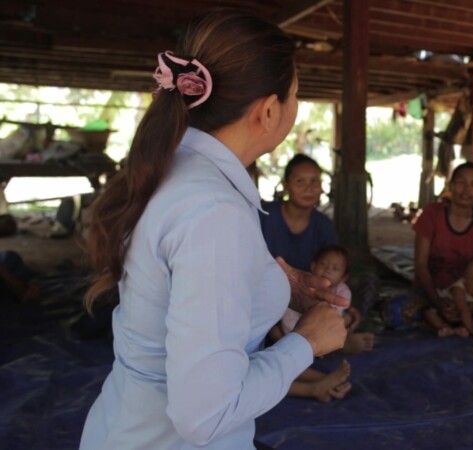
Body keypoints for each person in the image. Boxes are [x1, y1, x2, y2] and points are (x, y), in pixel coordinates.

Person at [80, 10, 347, 450]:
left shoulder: (179, 171)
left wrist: (266, 283)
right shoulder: (214, 211)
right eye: (297, 95)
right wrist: (306, 343)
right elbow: (206, 416)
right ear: (267, 111)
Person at [261, 154, 374, 354]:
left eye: (314, 181)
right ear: (286, 185)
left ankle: (326, 336)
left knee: (367, 281)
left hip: (311, 294)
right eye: (300, 181)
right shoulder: (266, 217)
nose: (309, 188)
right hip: (269, 293)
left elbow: (333, 269)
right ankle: (311, 346)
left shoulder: (323, 225)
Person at [269, 245, 356, 403]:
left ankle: (322, 384)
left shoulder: (334, 290)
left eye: (335, 268)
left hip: (308, 336)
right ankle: (322, 381)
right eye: (323, 264)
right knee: (278, 355)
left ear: (344, 277)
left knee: (278, 360)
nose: (328, 270)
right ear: (313, 265)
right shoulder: (306, 286)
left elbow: (332, 320)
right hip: (294, 332)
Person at [414, 162, 473, 324]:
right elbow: (420, 264)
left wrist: (469, 304)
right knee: (396, 312)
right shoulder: (432, 213)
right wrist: (438, 301)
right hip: (431, 290)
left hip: (468, 293)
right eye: (461, 183)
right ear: (450, 186)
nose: (467, 190)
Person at [424, 257, 473, 338]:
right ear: (466, 279)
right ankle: (444, 327)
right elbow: (463, 309)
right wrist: (471, 329)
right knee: (428, 312)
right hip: (446, 315)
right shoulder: (458, 289)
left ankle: (460, 329)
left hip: (463, 319)